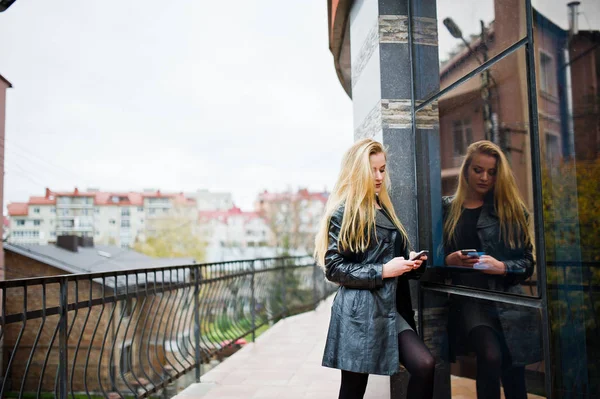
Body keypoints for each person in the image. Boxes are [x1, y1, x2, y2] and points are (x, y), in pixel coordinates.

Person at [315, 138, 435, 399]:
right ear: (357, 171)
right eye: (373, 169)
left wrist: (411, 263)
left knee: (424, 364)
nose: (379, 176)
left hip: (389, 308)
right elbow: (333, 268)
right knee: (354, 389)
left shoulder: (385, 208)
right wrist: (382, 271)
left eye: (383, 169)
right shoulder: (344, 213)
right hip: (359, 313)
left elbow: (392, 258)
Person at [442, 140, 538, 399]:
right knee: (490, 355)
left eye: (492, 172)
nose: (485, 177)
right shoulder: (447, 208)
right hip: (471, 299)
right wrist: (447, 260)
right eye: (478, 170)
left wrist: (502, 266)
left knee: (513, 368)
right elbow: (430, 257)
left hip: (507, 298)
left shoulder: (511, 210)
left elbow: (527, 263)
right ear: (466, 171)